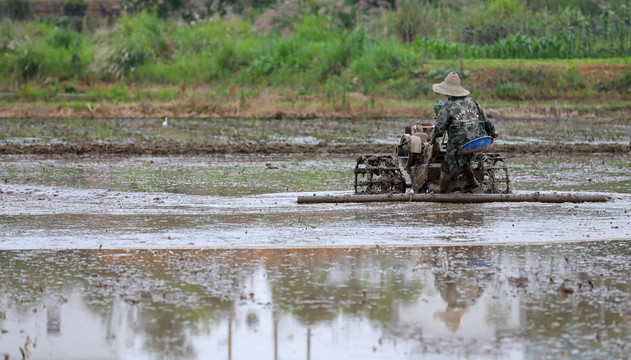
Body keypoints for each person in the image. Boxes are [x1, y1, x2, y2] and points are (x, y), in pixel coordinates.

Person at [430, 72, 499, 193]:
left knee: (446, 167)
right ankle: (472, 182)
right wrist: (492, 132)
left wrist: (432, 139)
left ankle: (442, 192)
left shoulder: (447, 106)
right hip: (479, 142)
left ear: (447, 91)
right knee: (466, 158)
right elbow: (485, 119)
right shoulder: (472, 101)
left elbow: (439, 130)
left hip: (460, 145)